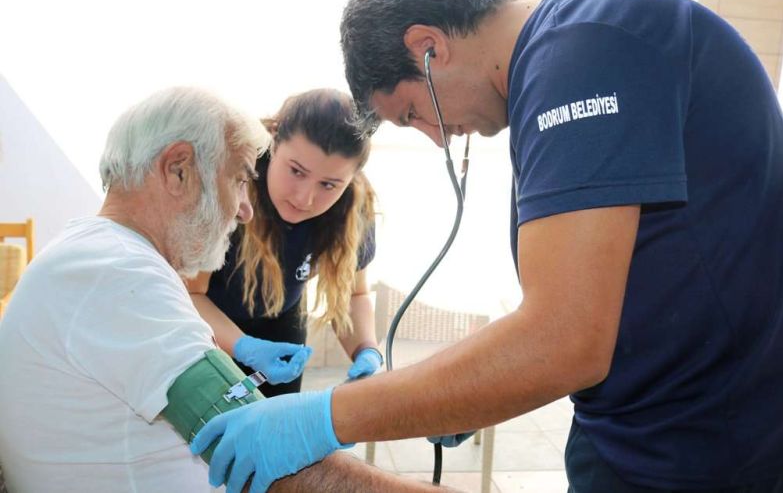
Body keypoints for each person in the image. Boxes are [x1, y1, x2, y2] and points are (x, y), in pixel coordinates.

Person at [190, 0, 783, 493]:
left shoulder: (584, 49)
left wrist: (318, 419)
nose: (438, 135)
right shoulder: (565, 63)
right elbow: (585, 311)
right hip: (654, 432)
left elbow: (563, 339)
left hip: (707, 451)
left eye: (411, 112)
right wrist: (461, 389)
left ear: (429, 48)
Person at [0, 86, 449, 493]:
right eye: (238, 180)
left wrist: (369, 363)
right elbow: (267, 454)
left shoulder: (107, 259)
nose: (244, 210)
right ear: (178, 170)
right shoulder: (115, 273)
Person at [186, 88, 382, 399]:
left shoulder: (354, 208)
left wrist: (366, 351)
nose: (304, 198)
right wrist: (244, 348)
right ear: (274, 142)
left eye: (329, 185)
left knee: (274, 432)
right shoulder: (229, 184)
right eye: (296, 171)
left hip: (282, 321)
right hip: (204, 319)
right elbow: (189, 295)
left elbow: (354, 293)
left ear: (352, 178)